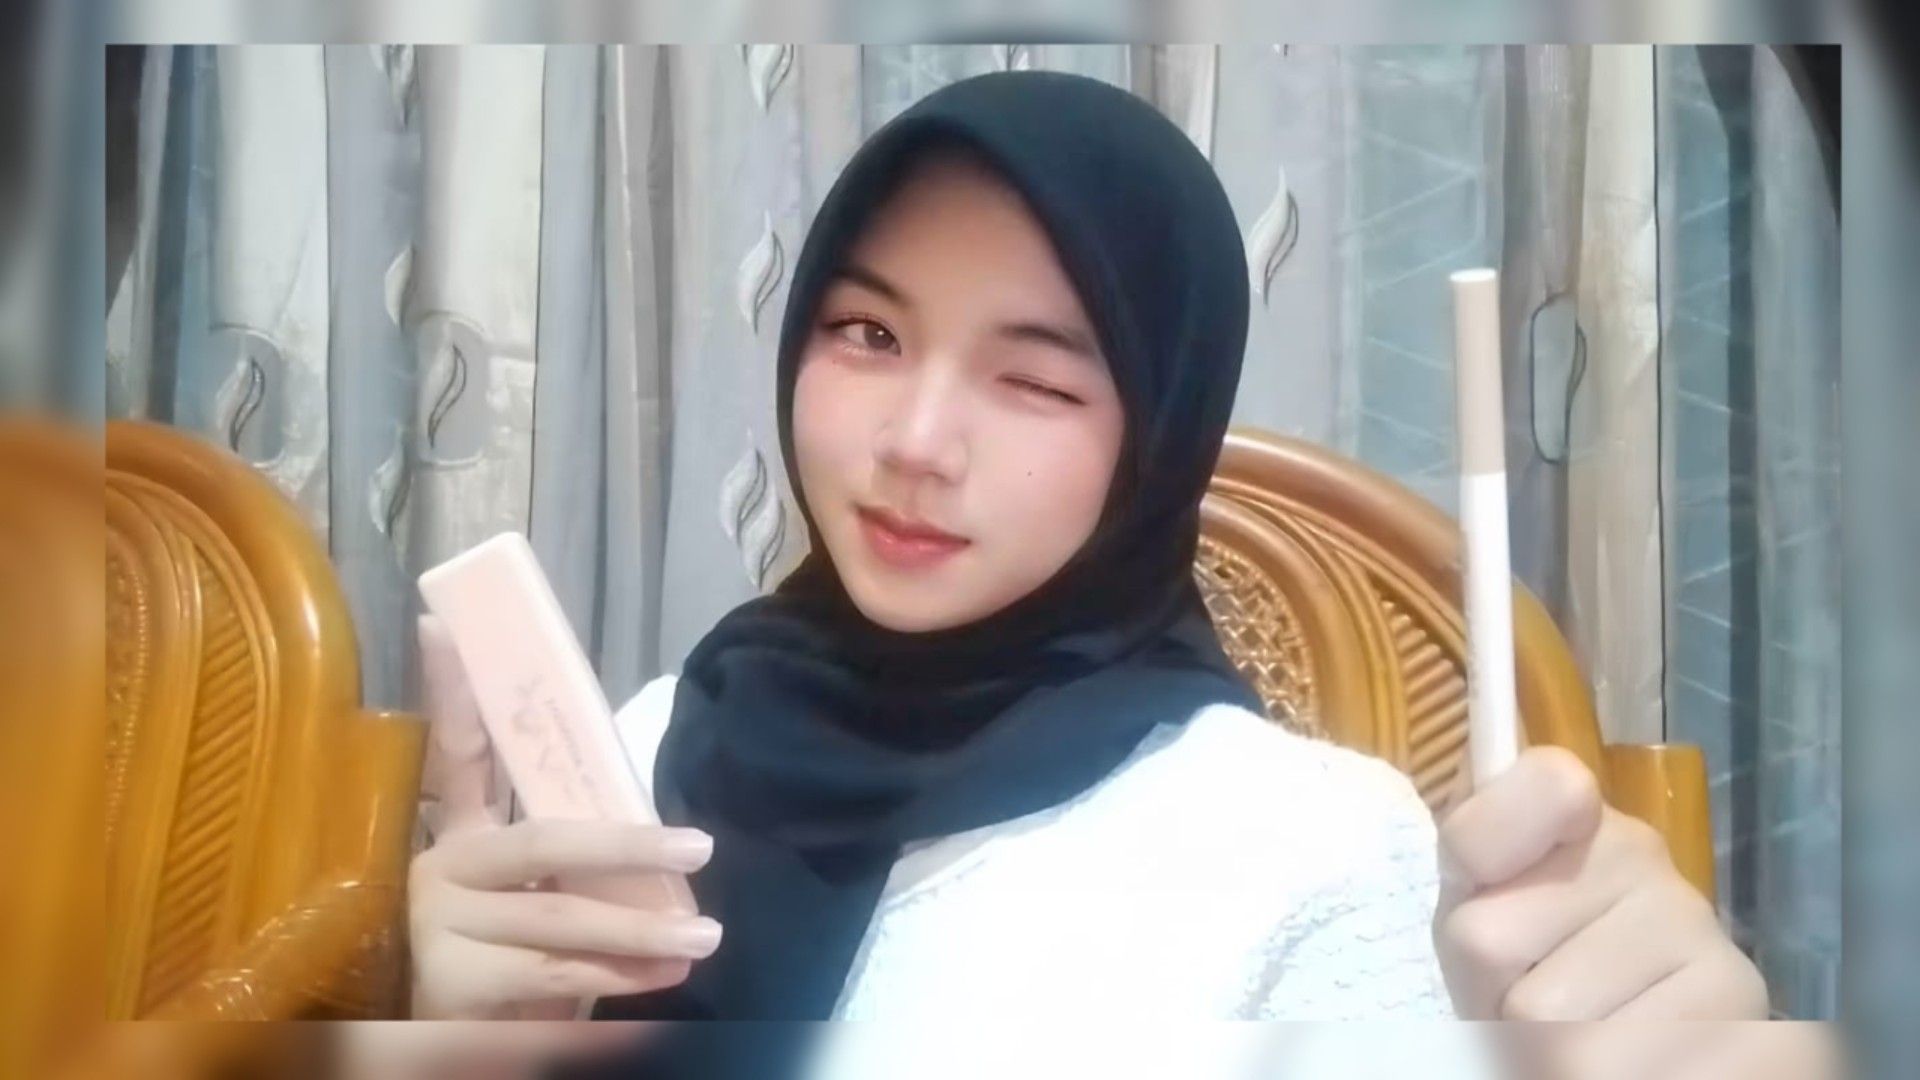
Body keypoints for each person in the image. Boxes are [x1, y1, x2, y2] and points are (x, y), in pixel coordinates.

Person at [405, 70, 1770, 1072]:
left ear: (1158, 440)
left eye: (1037, 381)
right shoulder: (654, 747)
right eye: (869, 333)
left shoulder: (1310, 855)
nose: (916, 442)